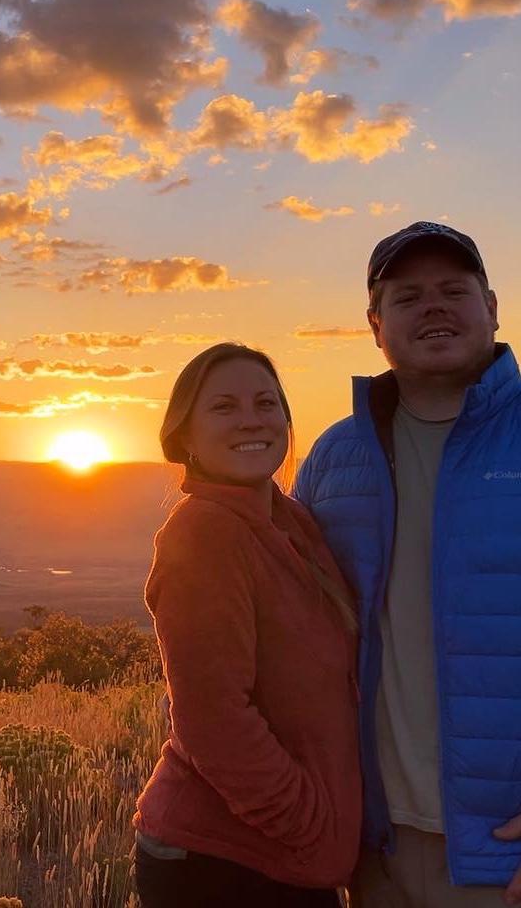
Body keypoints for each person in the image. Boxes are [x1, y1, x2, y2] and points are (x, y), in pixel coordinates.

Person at [295, 222, 521, 907]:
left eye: (454, 290)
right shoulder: (335, 458)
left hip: (501, 858)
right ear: (375, 324)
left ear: (491, 306)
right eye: (409, 296)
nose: (434, 307)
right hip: (375, 851)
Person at [134, 343, 361, 908]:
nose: (251, 419)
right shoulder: (206, 532)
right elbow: (213, 719)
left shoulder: (288, 522)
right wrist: (308, 822)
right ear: (184, 434)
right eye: (224, 407)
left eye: (266, 403)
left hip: (275, 858)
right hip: (225, 862)